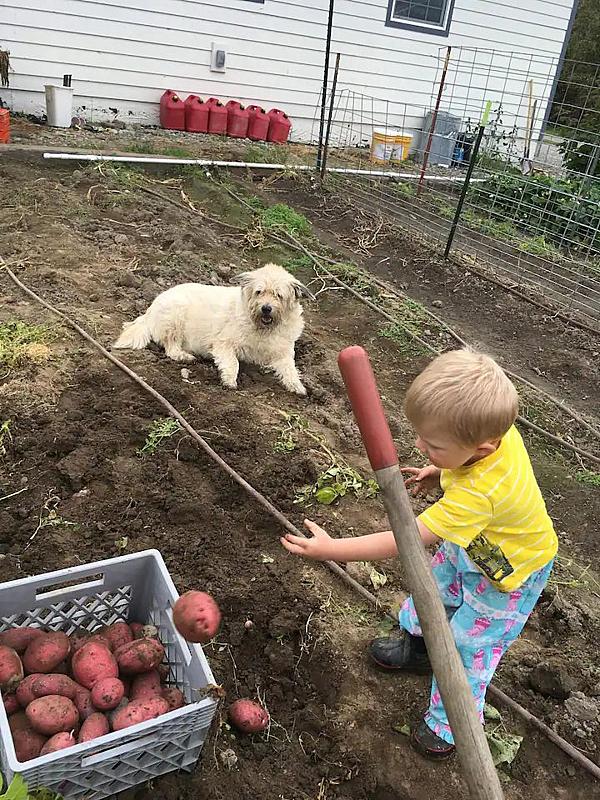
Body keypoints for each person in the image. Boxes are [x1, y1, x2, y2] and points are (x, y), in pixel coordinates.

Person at [280, 349, 557, 759]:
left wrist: (331, 550)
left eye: (433, 446)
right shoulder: (498, 434)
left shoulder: (481, 495)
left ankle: (451, 723)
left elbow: (404, 539)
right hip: (476, 546)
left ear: (480, 447)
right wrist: (441, 469)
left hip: (509, 575)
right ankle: (421, 646)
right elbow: (469, 464)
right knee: (438, 586)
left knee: (468, 645)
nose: (418, 446)